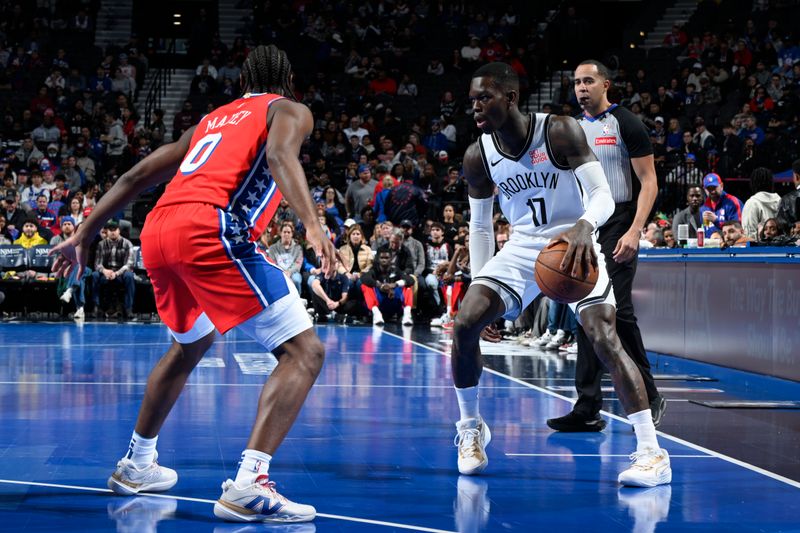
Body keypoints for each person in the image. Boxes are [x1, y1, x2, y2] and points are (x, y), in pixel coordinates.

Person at [52, 44, 340, 524]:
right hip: (212, 228)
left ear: (241, 80)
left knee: (190, 344)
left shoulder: (211, 120)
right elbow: (278, 154)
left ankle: (137, 464)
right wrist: (312, 223)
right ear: (287, 80)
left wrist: (85, 231)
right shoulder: (287, 109)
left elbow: (138, 175)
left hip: (160, 230)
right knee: (304, 352)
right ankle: (251, 483)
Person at [451, 62, 670, 487]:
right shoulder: (479, 153)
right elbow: (480, 226)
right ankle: (470, 428)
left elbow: (603, 195)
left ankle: (651, 452)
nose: (475, 107)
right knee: (464, 323)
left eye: (484, 98)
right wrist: (481, 286)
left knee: (604, 337)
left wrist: (585, 226)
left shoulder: (558, 131)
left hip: (575, 242)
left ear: (510, 97)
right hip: (521, 248)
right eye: (472, 100)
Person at [547, 59, 666, 433]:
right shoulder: (572, 129)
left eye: (588, 81)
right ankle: (587, 407)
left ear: (605, 85)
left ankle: (650, 394)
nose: (581, 88)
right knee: (586, 311)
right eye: (577, 82)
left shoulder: (626, 123)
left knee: (621, 312)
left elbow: (649, 182)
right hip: (586, 225)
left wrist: (635, 231)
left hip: (620, 222)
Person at [699, 173, 743, 238]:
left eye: (714, 187)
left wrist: (717, 221)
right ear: (704, 189)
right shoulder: (703, 208)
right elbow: (705, 230)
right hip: (710, 246)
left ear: (721, 186)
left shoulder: (732, 202)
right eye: (709, 188)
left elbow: (738, 229)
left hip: (731, 246)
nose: (712, 191)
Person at [742, 167, 781, 240]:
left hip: (758, 250)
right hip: (782, 249)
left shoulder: (751, 203)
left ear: (753, 183)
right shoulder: (781, 201)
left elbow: (749, 235)